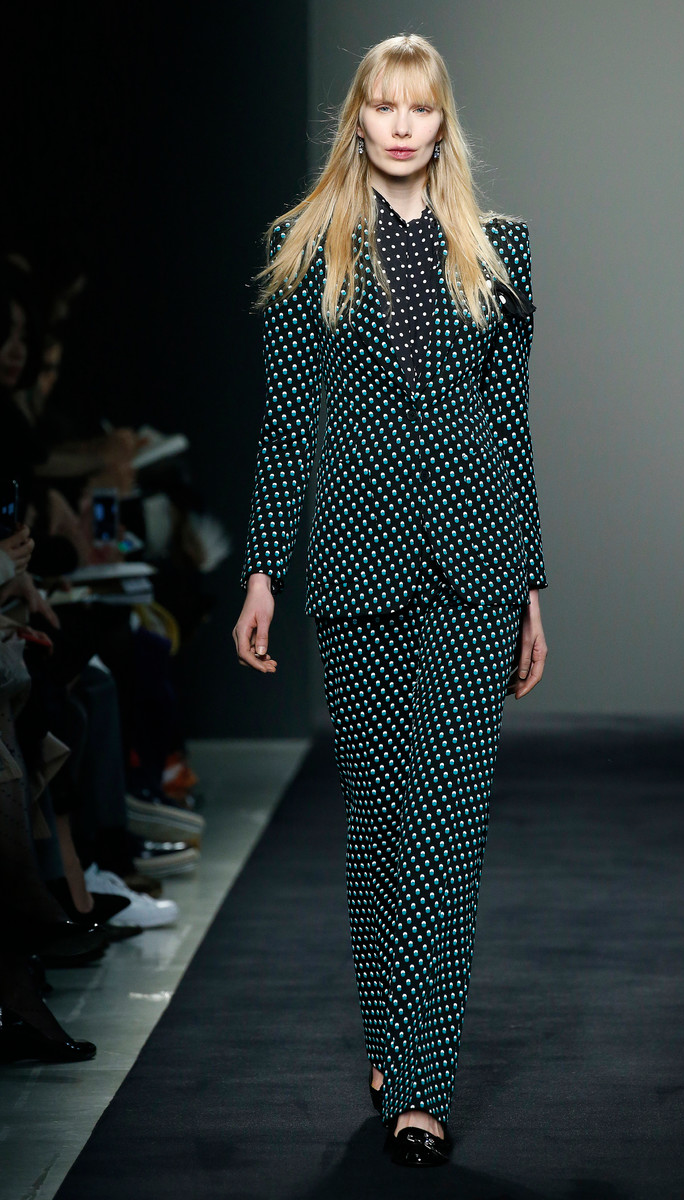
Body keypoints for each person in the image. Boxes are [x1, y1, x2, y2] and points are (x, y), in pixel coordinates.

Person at [233, 33, 547, 1168]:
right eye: (384, 106)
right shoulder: (305, 245)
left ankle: (420, 1088)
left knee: (446, 822)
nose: (402, 126)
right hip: (358, 563)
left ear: (441, 120)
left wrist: (531, 585)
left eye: (420, 107)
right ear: (357, 119)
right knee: (377, 823)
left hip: (476, 564)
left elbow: (510, 427)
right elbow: (287, 425)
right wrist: (262, 569)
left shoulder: (498, 248)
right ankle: (392, 1037)